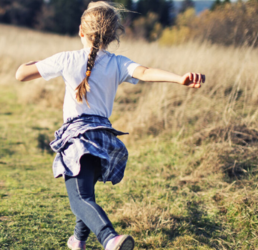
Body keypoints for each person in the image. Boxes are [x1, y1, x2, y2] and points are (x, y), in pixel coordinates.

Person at [14, 2, 205, 250]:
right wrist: (180, 79)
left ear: (81, 31)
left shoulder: (66, 59)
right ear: (113, 35)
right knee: (87, 195)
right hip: (104, 139)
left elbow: (21, 74)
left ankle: (109, 238)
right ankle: (78, 240)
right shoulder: (117, 62)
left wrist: (40, 61)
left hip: (78, 138)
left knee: (79, 199)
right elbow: (145, 73)